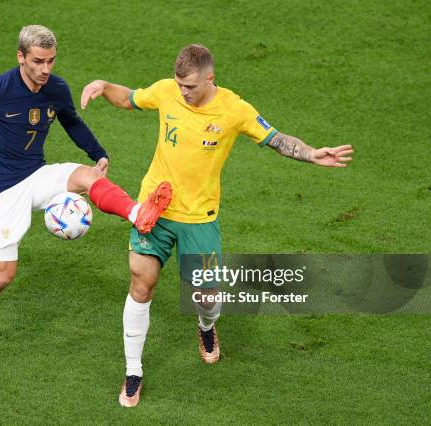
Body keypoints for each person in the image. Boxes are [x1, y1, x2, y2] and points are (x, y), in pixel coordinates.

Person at [81, 44, 354, 407]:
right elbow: (130, 98)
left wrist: (311, 153)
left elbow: (276, 139)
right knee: (141, 283)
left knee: (207, 298)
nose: (183, 92)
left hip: (200, 220)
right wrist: (102, 84)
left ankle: (206, 327)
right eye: (180, 85)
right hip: (154, 211)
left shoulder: (234, 109)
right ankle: (134, 372)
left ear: (210, 79)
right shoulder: (166, 91)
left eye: (190, 86)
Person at [0, 25, 172, 370]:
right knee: (2, 276)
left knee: (89, 175)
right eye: (38, 61)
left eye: (51, 61)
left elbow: (70, 120)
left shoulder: (55, 87)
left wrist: (97, 151)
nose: (45, 70)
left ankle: (136, 213)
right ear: (21, 57)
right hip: (0, 192)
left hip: (36, 175)